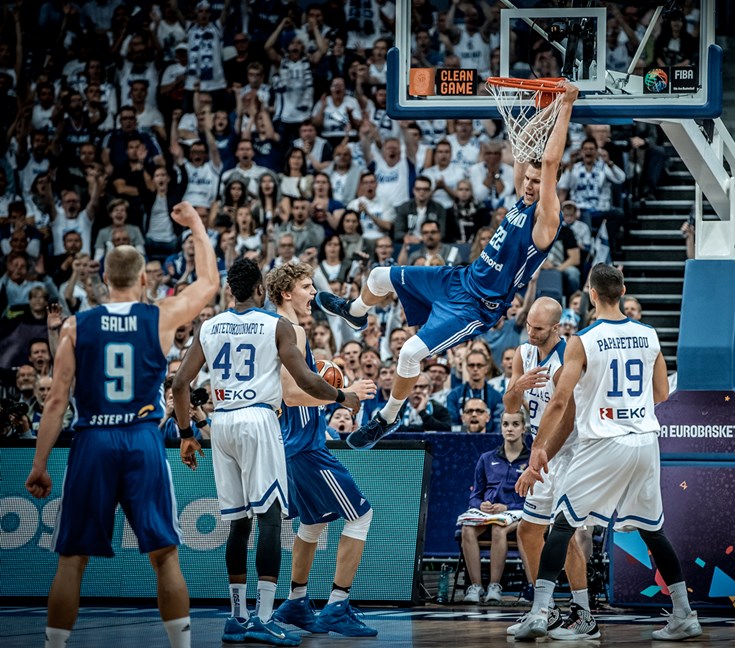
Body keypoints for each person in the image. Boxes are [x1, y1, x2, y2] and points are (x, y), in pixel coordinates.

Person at [315, 82, 580, 450]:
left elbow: (549, 163)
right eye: (529, 180)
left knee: (409, 353)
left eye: (538, 182)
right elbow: (523, 147)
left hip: (476, 306)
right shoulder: (523, 198)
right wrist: (545, 111)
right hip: (460, 278)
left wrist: (565, 106)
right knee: (377, 276)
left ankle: (387, 417)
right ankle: (355, 312)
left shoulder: (546, 220)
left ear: (551, 185)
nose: (530, 184)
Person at [24, 202, 220, 648]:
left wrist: (39, 464)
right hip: (141, 438)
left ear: (104, 280)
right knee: (165, 556)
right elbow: (209, 282)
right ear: (144, 280)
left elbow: (56, 399)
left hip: (92, 439)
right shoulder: (160, 316)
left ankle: (54, 646)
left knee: (71, 558)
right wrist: (195, 223)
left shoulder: (75, 326)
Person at [171, 258, 357, 646]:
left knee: (238, 523)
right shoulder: (276, 325)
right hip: (258, 419)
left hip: (222, 423)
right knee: (270, 519)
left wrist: (186, 433)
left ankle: (237, 616)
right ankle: (266, 617)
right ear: (260, 290)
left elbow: (180, 384)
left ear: (230, 290)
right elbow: (305, 379)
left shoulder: (209, 326)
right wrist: (343, 396)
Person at [514, 264, 702, 642]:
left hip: (604, 441)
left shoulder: (584, 339)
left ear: (592, 294)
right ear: (623, 291)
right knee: (652, 531)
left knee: (562, 523)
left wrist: (537, 449)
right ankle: (684, 614)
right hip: (645, 440)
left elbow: (559, 401)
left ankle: (539, 613)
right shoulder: (648, 334)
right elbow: (662, 393)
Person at [264, 262, 380, 637]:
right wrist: (342, 395)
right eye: (306, 286)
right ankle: (337, 606)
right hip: (304, 446)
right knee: (361, 515)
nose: (314, 293)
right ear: (286, 293)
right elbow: (291, 394)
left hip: (290, 444)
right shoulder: (292, 330)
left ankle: (296, 602)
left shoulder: (273, 327)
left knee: (312, 522)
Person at [502, 297, 589, 638]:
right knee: (527, 530)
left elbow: (566, 423)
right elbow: (510, 407)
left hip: (569, 453)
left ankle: (583, 613)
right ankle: (547, 609)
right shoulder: (523, 354)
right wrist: (517, 387)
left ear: (556, 327)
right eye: (528, 326)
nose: (531, 332)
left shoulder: (566, 360)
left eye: (538, 328)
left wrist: (538, 459)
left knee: (562, 534)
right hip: (542, 452)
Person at [459, 409, 531, 605]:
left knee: (499, 529)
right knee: (467, 528)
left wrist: (507, 506)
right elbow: (475, 495)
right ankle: (476, 586)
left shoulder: (532, 460)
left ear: (524, 429)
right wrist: (481, 504)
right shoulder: (486, 458)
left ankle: (494, 586)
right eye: (506, 424)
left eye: (515, 424)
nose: (510, 429)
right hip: (488, 513)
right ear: (500, 428)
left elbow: (537, 498)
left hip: (518, 512)